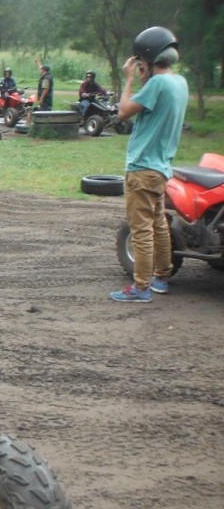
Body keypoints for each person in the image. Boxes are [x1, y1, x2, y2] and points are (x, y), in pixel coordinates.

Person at [110, 26, 188, 303]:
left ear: (147, 57)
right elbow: (153, 104)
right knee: (159, 224)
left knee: (140, 229)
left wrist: (130, 79)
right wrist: (146, 77)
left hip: (141, 167)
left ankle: (141, 287)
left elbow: (123, 112)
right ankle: (161, 278)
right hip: (162, 168)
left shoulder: (156, 85)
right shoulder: (179, 82)